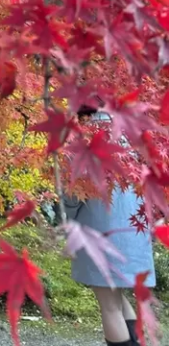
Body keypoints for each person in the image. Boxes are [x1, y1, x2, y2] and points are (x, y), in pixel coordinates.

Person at [69, 105, 155, 346]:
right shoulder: (130, 128)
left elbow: (72, 192)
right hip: (133, 228)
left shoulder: (82, 136)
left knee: (109, 306)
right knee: (116, 297)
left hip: (100, 229)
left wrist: (66, 219)